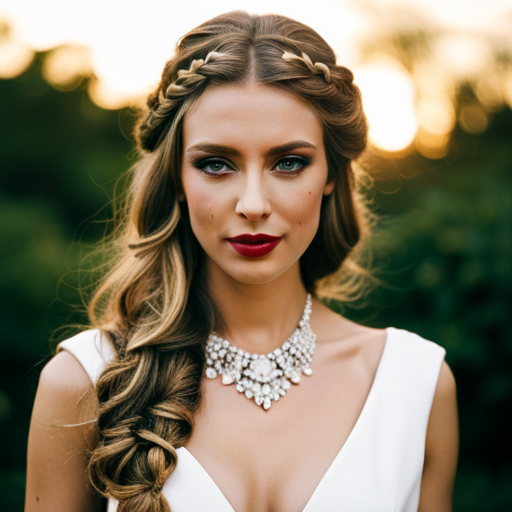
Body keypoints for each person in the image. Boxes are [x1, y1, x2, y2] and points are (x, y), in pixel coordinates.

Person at [25, 11, 458, 512]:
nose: (253, 202)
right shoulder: (82, 384)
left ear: (333, 173)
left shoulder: (417, 386)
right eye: (216, 164)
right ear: (179, 180)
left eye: (288, 162)